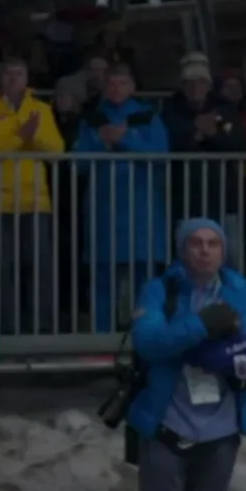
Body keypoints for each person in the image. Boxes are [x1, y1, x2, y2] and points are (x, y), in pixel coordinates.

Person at [127, 218, 246, 491]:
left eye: (213, 243)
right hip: (166, 425)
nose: (205, 251)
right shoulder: (160, 290)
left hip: (221, 430)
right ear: (182, 250)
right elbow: (148, 342)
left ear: (223, 251)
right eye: (196, 243)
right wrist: (204, 325)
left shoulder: (241, 294)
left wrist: (195, 352)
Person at [74, 63, 169, 333]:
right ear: (105, 87)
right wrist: (102, 142)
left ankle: (146, 337)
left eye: (122, 83)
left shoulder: (148, 117)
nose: (116, 89)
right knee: (102, 279)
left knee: (144, 281)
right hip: (102, 210)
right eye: (112, 83)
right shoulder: (92, 119)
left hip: (141, 210)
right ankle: (102, 341)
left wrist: (124, 140)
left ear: (133, 87)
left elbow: (162, 155)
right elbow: (77, 162)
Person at [0, 56, 64, 334]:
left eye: (19, 73)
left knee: (40, 267)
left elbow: (56, 149)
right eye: (9, 73)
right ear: (1, 78)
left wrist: (32, 137)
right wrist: (20, 137)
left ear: (27, 79)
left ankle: (42, 326)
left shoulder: (41, 108)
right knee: (2, 268)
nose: (14, 78)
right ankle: (6, 327)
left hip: (35, 201)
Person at [162, 54, 246, 250]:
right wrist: (197, 134)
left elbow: (240, 146)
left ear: (208, 85)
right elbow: (170, 146)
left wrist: (213, 134)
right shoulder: (170, 111)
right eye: (189, 83)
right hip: (185, 200)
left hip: (224, 198)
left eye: (200, 82)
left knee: (229, 254)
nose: (195, 88)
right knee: (187, 255)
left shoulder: (225, 109)